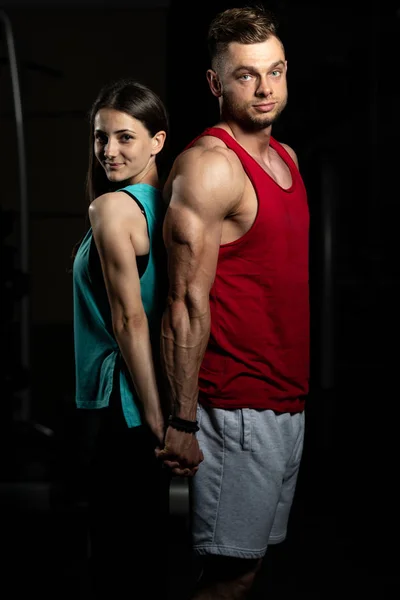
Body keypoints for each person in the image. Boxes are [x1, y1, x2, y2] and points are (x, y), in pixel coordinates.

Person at [157, 5, 310, 599]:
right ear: (216, 83)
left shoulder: (288, 159)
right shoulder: (209, 168)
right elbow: (183, 304)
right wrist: (183, 418)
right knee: (229, 579)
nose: (265, 87)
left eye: (274, 71)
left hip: (283, 402)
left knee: (247, 570)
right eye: (246, 75)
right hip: (235, 408)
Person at [71, 78, 170, 598]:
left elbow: (130, 319)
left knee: (112, 558)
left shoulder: (112, 210)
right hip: (143, 401)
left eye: (125, 137)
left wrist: (155, 416)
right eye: (100, 137)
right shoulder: (168, 207)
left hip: (121, 403)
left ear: (158, 141)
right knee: (142, 550)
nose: (109, 150)